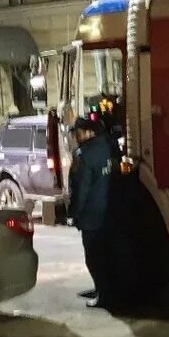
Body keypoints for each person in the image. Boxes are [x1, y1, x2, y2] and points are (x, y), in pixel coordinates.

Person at [69, 116, 119, 309]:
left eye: (78, 133)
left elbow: (81, 189)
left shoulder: (84, 155)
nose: (77, 137)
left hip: (92, 216)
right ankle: (112, 291)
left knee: (94, 259)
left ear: (88, 132)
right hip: (110, 212)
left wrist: (75, 214)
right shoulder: (108, 146)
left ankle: (104, 295)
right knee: (108, 255)